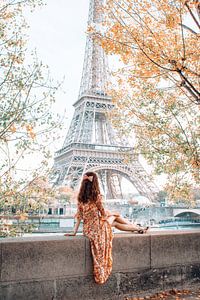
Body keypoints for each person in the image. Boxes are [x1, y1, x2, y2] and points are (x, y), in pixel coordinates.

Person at [64, 171, 149, 284]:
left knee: (115, 224)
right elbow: (103, 213)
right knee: (114, 215)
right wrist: (107, 213)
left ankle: (139, 228)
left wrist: (74, 232)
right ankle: (138, 228)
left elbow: (79, 216)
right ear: (95, 183)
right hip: (99, 228)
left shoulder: (80, 198)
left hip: (88, 230)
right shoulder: (96, 196)